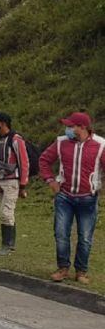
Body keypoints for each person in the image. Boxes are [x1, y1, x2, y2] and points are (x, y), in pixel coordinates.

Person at [38, 112, 105, 284]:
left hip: (88, 199)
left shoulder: (100, 145)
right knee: (61, 233)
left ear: (82, 127)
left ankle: (81, 271)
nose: (68, 129)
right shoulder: (61, 142)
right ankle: (63, 268)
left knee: (85, 236)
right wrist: (50, 180)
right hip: (64, 197)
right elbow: (44, 160)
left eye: (71, 126)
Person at [0, 111, 30, 256]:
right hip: (0, 181)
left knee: (6, 212)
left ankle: (8, 245)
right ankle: (6, 243)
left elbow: (24, 163)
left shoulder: (16, 140)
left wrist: (23, 185)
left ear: (3, 123)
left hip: (12, 181)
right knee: (2, 212)